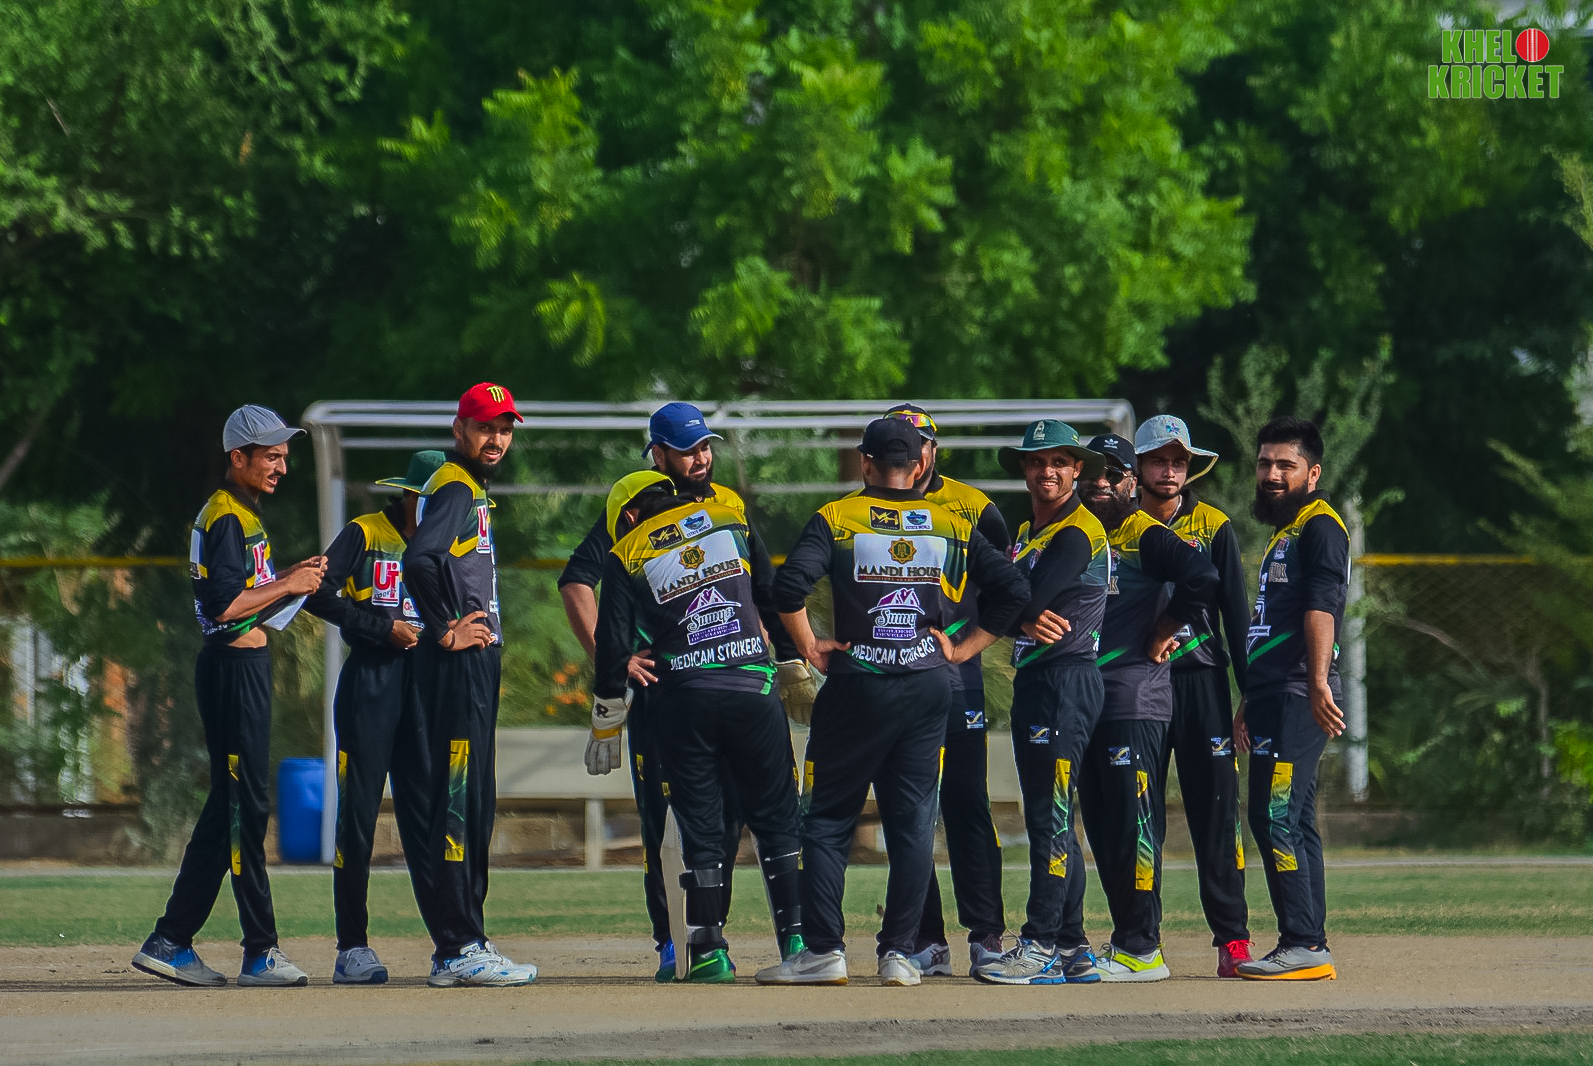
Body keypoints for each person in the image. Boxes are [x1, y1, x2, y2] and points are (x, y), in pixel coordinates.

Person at [757, 418, 1029, 987]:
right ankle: (901, 954)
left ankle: (824, 952)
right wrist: (963, 649)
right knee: (913, 823)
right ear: (919, 464)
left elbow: (787, 588)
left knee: (828, 819)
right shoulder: (950, 522)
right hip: (929, 686)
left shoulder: (838, 517)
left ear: (865, 463)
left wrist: (810, 646)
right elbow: (1013, 590)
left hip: (858, 682)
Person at [558, 403, 786, 978]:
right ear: (658, 455)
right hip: (665, 693)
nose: (701, 458)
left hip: (731, 680)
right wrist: (616, 661)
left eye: (705, 446)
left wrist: (759, 633)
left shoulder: (728, 505)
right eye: (687, 450)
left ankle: (708, 936)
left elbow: (762, 585)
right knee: (664, 822)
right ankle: (672, 940)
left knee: (727, 819)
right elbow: (576, 581)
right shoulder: (633, 508)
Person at [132, 405, 327, 988]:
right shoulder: (225, 516)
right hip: (231, 671)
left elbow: (247, 594)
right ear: (237, 457)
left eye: (284, 456)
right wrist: (287, 582)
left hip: (243, 668)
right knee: (244, 807)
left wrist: (287, 581)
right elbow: (222, 607)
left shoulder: (241, 514)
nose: (281, 466)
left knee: (233, 806)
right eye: (270, 456)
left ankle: (172, 939)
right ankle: (259, 951)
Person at [590, 478, 807, 982]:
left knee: (702, 826)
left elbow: (612, 641)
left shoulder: (626, 551)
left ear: (628, 517)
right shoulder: (731, 521)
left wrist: (606, 714)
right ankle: (800, 941)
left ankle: (708, 952)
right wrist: (791, 662)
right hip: (754, 688)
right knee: (778, 819)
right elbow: (773, 595)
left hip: (685, 700)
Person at [403, 382, 537, 987]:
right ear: (459, 429)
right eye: (486, 427)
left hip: (472, 664)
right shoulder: (456, 485)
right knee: (460, 801)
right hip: (458, 665)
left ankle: (461, 943)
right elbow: (419, 559)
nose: (497, 439)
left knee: (472, 800)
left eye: (505, 429)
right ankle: (459, 945)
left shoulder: (468, 486)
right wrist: (444, 629)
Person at [876, 404, 1012, 978]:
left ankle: (986, 934)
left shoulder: (975, 507)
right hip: (891, 680)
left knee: (965, 801)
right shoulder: (862, 508)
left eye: (922, 443)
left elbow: (1007, 590)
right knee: (907, 810)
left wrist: (968, 647)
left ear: (933, 450)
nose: (913, 454)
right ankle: (926, 939)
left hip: (958, 678)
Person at [973, 420, 1110, 985]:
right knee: (1048, 816)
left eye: (1058, 462)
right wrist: (1022, 617)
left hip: (1065, 681)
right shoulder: (1030, 531)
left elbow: (1017, 595)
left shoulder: (1077, 531)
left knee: (1050, 815)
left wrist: (1017, 611)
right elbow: (999, 598)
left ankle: (1042, 944)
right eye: (1036, 461)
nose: (1046, 471)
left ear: (1077, 469)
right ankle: (1073, 947)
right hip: (1039, 680)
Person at [1078, 433, 1217, 982]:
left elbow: (1203, 577)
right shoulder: (1078, 533)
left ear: (1131, 482)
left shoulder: (1143, 532)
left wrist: (1164, 629)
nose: (1102, 483)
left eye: (1113, 474)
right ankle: (1125, 940)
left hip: (1134, 699)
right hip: (1083, 699)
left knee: (1134, 823)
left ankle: (1143, 947)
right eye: (1093, 472)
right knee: (1101, 826)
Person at [305, 449, 446, 985]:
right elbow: (317, 594)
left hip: (424, 687)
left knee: (427, 818)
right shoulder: (365, 533)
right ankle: (352, 947)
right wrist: (379, 628)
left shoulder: (449, 543)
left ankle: (450, 944)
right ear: (411, 496)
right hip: (371, 681)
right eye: (434, 501)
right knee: (359, 818)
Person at [1133, 415, 1254, 978]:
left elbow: (1236, 614)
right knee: (1140, 814)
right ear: (1138, 467)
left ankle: (1233, 940)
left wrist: (1248, 695)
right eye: (1159, 460)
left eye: (1178, 462)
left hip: (1201, 681)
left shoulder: (1212, 525)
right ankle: (1141, 940)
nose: (1169, 471)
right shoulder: (1117, 525)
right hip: (1137, 683)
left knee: (1217, 812)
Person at [1234, 416, 1348, 981]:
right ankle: (1309, 939)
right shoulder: (1288, 530)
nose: (1273, 474)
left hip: (1301, 692)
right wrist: (1250, 698)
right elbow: (1270, 624)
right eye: (1265, 463)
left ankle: (1302, 942)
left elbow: (1322, 606)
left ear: (1313, 472)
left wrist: (1319, 682)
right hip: (1275, 693)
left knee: (1273, 812)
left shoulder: (1320, 526)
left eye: (1286, 464)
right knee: (1294, 817)